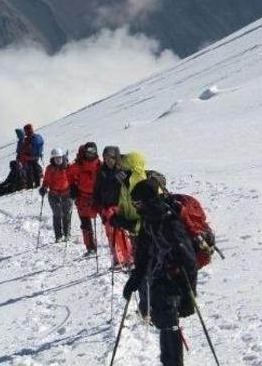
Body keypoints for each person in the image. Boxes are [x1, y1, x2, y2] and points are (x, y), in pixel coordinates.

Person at [122, 178, 198, 366]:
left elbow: (189, 260)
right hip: (158, 278)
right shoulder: (149, 220)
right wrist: (135, 278)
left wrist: (190, 296)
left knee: (169, 324)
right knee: (163, 323)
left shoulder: (169, 222)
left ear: (148, 201)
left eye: (137, 202)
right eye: (133, 203)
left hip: (175, 280)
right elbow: (143, 254)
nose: (135, 207)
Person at [93, 145, 133, 268]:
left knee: (121, 233)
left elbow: (128, 187)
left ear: (116, 158)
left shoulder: (123, 171)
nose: (107, 160)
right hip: (106, 208)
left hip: (120, 207)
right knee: (110, 235)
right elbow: (97, 190)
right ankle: (116, 259)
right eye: (105, 158)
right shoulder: (101, 172)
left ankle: (128, 258)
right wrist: (97, 204)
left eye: (110, 158)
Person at [66, 141, 101, 256]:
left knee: (108, 222)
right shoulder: (78, 165)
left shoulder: (100, 165)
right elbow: (68, 173)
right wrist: (72, 186)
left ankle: (115, 248)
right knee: (85, 224)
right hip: (82, 197)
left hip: (98, 197)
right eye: (88, 152)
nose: (90, 154)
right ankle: (90, 247)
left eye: (92, 152)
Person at [39, 148, 72, 242]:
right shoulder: (50, 169)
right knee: (57, 214)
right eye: (56, 158)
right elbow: (46, 181)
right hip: (54, 195)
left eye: (59, 158)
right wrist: (44, 188)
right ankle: (58, 236)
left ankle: (67, 234)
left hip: (67, 194)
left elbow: (74, 177)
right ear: (52, 159)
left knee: (66, 214)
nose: (58, 160)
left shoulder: (67, 166)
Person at [15, 123, 45, 189]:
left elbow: (23, 149)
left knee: (30, 172)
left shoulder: (28, 139)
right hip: (34, 157)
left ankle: (30, 186)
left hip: (29, 158)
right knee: (35, 170)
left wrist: (23, 157)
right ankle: (37, 184)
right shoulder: (36, 137)